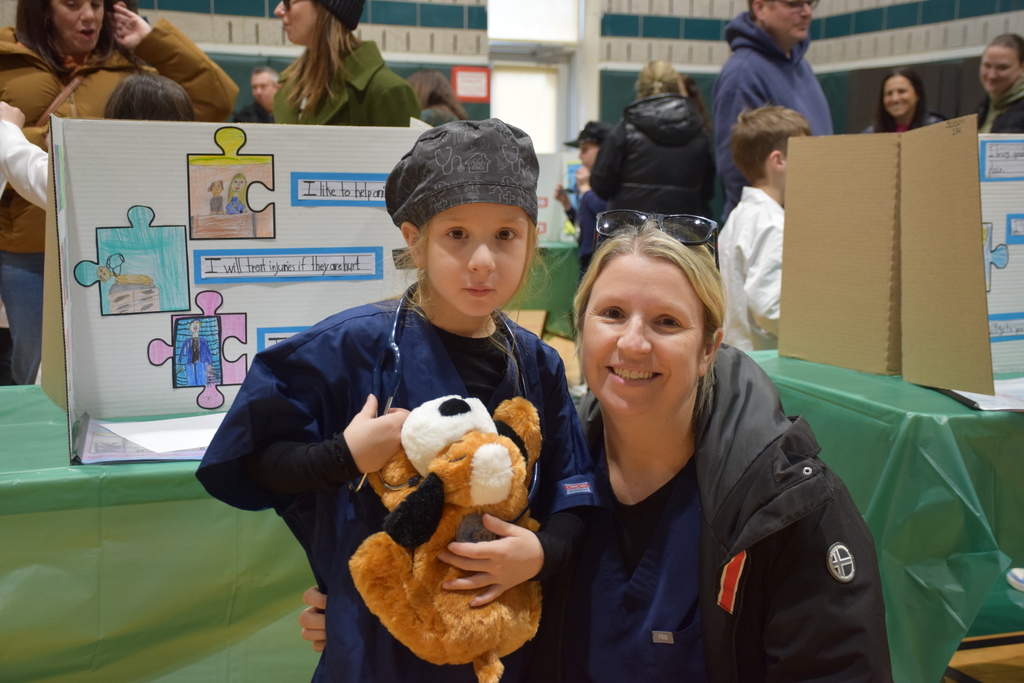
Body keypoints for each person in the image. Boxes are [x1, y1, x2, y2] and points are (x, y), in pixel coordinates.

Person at [301, 216, 895, 681]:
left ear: (710, 348)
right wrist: (367, 622)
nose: (632, 343)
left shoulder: (788, 506)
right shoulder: (529, 478)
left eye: (666, 323)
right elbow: (459, 606)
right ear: (580, 330)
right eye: (612, 314)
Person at [197, 119, 599, 682]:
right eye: (456, 234)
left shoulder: (538, 366)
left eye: (506, 235)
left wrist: (540, 554)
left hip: (499, 647)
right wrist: (343, 456)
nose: (482, 259)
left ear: (532, 238)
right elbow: (250, 462)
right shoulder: (348, 351)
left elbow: (573, 496)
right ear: (414, 239)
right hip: (376, 649)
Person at [0, 0, 238, 386]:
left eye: (97, 4)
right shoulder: (190, 187)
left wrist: (13, 131)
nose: (89, 15)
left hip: (101, 312)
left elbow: (28, 168)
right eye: (74, 4)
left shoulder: (87, 180)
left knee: (62, 371)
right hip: (28, 250)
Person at [0, 73, 196, 210]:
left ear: (115, 121)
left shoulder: (95, 175)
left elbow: (28, 170)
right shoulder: (197, 178)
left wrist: (8, 127)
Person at [713, 0, 832, 223]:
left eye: (810, 3)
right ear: (760, 9)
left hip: (810, 217)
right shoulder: (742, 74)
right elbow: (739, 169)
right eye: (794, 3)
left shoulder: (801, 67)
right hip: (771, 228)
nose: (806, 12)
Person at [718, 106, 810, 351]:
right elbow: (769, 309)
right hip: (764, 363)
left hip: (739, 356)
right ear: (778, 160)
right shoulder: (772, 223)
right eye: (805, 154)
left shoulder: (738, 217)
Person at [589, 61, 715, 219]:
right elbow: (708, 192)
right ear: (676, 86)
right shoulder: (700, 135)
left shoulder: (625, 131)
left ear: (640, 87)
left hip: (632, 234)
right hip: (681, 235)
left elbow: (601, 186)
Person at [272, 0, 421, 126]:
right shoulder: (288, 85)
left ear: (326, 8)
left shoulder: (386, 92)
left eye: (289, 1)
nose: (278, 10)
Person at [554, 121, 611, 279]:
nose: (580, 156)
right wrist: (567, 205)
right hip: (587, 263)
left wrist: (586, 190)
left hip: (603, 262)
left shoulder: (612, 181)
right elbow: (585, 226)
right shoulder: (590, 184)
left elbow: (609, 216)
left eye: (585, 150)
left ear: (604, 149)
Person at [862, 66, 945, 133]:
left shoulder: (937, 128)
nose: (895, 99)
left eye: (902, 91)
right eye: (889, 93)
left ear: (918, 94)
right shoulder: (871, 133)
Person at [976, 33, 1024, 134]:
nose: (991, 75)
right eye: (987, 65)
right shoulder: (984, 107)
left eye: (1002, 67)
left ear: (1022, 67)